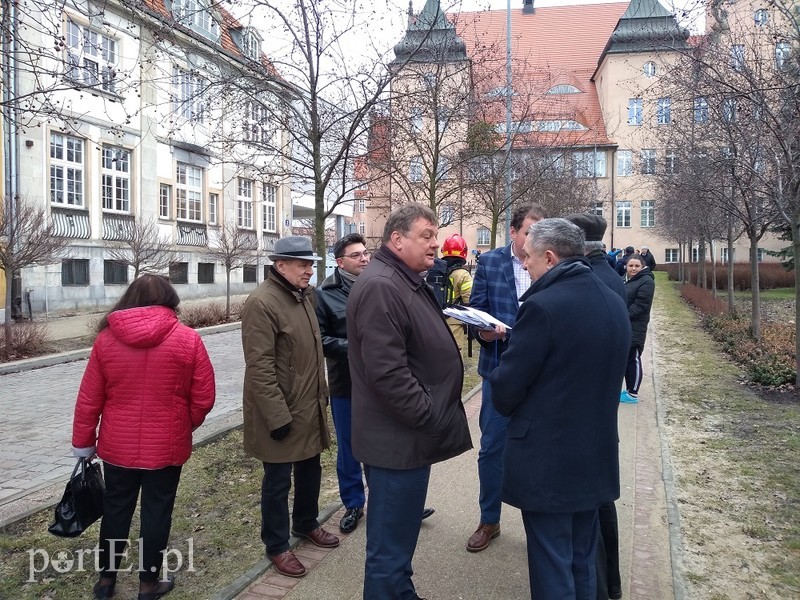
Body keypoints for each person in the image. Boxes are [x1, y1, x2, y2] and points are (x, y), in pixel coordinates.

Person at [489, 218, 630, 599]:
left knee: (552, 564)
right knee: (581, 559)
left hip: (549, 463)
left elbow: (505, 391)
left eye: (528, 258)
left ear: (550, 258)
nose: (524, 266)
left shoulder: (543, 307)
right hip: (594, 457)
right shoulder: (613, 300)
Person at [347, 203, 472, 600]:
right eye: (426, 236)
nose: (435, 244)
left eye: (435, 235)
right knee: (388, 551)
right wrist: (429, 415)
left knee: (398, 546)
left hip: (407, 439)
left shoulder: (403, 278)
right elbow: (387, 374)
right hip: (396, 442)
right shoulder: (383, 285)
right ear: (396, 240)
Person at [72, 274, 216, 600]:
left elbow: (89, 398)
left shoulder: (106, 341)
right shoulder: (188, 339)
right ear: (170, 300)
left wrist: (83, 442)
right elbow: (204, 396)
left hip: (117, 447)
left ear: (130, 299)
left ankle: (106, 582)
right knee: (157, 512)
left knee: (116, 510)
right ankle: (148, 585)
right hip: (166, 446)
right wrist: (182, 425)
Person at [241, 235, 339, 579]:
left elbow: (311, 351)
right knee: (278, 480)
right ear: (280, 265)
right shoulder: (262, 303)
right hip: (280, 410)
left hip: (308, 403)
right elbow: (260, 367)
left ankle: (306, 523)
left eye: (311, 264)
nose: (310, 271)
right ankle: (277, 545)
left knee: (310, 468)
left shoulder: (305, 296)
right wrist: (277, 416)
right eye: (303, 264)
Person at [466, 202, 546, 553]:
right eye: (529, 231)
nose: (534, 238)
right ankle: (489, 520)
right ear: (513, 232)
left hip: (542, 375)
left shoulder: (550, 261)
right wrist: (486, 332)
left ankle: (542, 523)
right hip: (499, 370)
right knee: (492, 448)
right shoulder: (490, 262)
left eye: (540, 232)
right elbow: (475, 313)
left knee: (541, 449)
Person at [566, 213, 625, 600]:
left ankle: (600, 587)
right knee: (601, 504)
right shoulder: (613, 278)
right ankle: (611, 584)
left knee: (593, 508)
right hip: (602, 405)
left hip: (583, 410)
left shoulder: (589, 283)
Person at [620, 254, 656, 404]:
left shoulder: (646, 281)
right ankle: (628, 390)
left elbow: (641, 304)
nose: (633, 269)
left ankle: (633, 393)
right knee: (627, 358)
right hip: (626, 323)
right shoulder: (626, 280)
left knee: (633, 357)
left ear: (642, 267)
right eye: (631, 266)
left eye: (636, 266)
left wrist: (623, 315)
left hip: (636, 324)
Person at [441, 233, 473, 351]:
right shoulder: (463, 275)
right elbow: (469, 300)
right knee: (455, 358)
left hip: (436, 321)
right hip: (454, 324)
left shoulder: (437, 271)